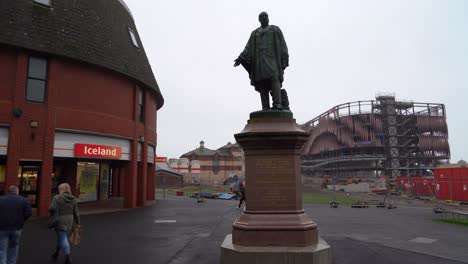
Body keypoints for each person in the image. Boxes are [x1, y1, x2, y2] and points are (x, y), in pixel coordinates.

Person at [234, 11, 290, 111]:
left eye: (266, 16)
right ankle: (265, 106)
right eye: (262, 17)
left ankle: (277, 103)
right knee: (262, 83)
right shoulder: (255, 33)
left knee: (275, 78)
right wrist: (241, 57)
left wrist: (285, 59)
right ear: (259, 20)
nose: (264, 18)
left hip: (273, 61)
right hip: (259, 62)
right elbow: (248, 47)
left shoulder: (275, 30)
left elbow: (283, 45)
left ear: (268, 18)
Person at [49, 183, 80, 264]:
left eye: (59, 189)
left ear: (61, 189)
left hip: (60, 219)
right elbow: (76, 212)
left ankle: (67, 256)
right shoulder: (73, 199)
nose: (59, 190)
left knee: (63, 238)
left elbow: (52, 208)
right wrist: (78, 223)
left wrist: (52, 213)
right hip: (70, 220)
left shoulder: (57, 197)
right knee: (62, 236)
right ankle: (56, 253)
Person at [0, 186, 32, 264]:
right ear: (17, 192)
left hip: (2, 228)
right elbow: (28, 213)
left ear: (8, 192)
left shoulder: (1, 199)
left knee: (2, 249)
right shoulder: (24, 200)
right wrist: (22, 220)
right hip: (17, 228)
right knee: (13, 248)